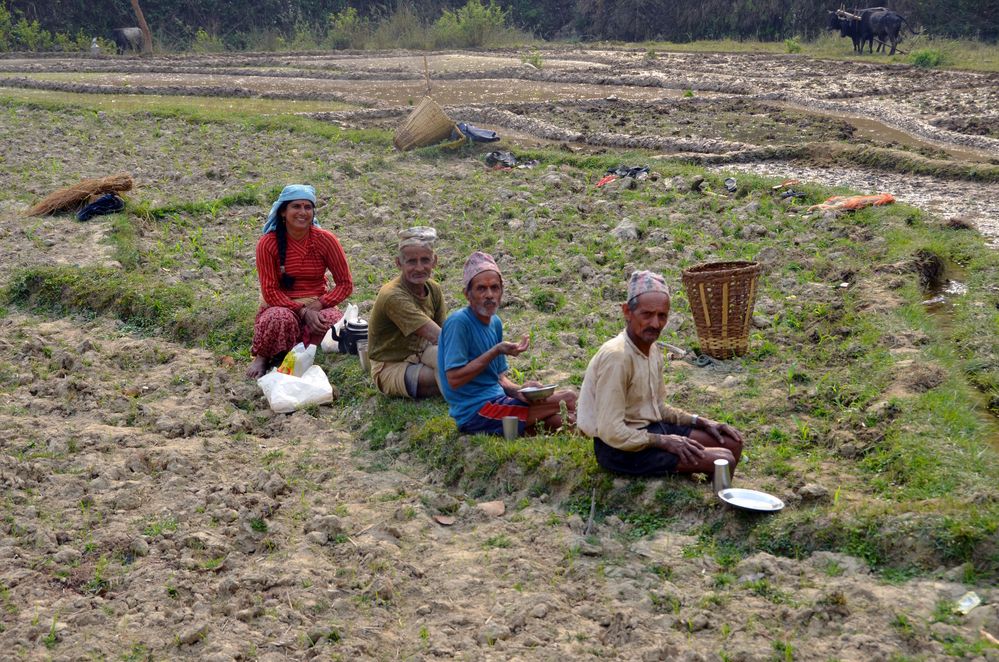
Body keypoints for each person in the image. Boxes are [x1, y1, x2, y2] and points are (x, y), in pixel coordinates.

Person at [577, 270, 744, 477]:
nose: (655, 324)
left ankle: (718, 489)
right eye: (647, 315)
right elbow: (611, 431)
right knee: (723, 459)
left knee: (732, 443)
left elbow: (657, 407)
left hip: (651, 430)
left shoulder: (651, 349)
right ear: (627, 311)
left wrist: (700, 421)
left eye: (662, 316)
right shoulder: (617, 357)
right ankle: (714, 501)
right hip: (620, 450)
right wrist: (664, 442)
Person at [439, 251, 576, 437]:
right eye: (481, 289)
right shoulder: (459, 323)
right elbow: (454, 380)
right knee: (568, 397)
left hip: (498, 401)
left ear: (502, 291)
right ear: (467, 295)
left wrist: (519, 391)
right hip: (475, 412)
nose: (489, 295)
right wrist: (495, 351)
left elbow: (499, 378)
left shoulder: (494, 322)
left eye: (495, 288)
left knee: (565, 421)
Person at [246, 184, 353, 379]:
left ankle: (306, 355)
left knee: (332, 322)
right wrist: (302, 312)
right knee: (278, 318)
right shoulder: (268, 243)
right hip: (281, 304)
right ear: (283, 212)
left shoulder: (326, 240)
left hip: (317, 303)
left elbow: (345, 284)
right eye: (296, 206)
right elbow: (270, 292)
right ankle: (264, 356)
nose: (302, 212)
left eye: (308, 207)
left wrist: (319, 305)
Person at [367, 227, 447, 398]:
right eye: (411, 261)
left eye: (425, 260)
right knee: (459, 374)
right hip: (391, 365)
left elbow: (444, 335)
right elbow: (438, 336)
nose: (419, 268)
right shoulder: (393, 296)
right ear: (399, 263)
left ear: (434, 261)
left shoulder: (433, 289)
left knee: (459, 367)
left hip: (422, 352)